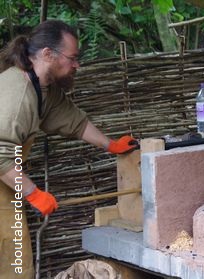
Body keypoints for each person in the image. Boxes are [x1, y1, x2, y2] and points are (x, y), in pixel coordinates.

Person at [0, 20, 139, 278]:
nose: (77, 65)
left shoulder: (42, 89)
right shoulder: (17, 95)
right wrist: (33, 193)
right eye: (72, 58)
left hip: (7, 190)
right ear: (47, 54)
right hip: (5, 182)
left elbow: (73, 120)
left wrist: (111, 145)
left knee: (15, 266)